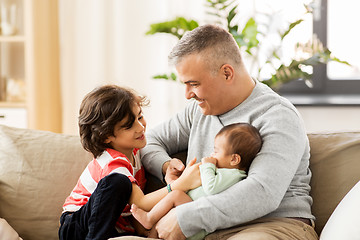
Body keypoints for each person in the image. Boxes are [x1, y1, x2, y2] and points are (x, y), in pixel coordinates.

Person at [140, 24, 319, 240]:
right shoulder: (197, 112)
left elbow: (262, 192)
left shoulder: (277, 115)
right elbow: (148, 140)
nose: (187, 94)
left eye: (193, 84)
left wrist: (186, 217)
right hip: (208, 229)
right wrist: (166, 166)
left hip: (272, 226)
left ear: (227, 73)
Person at [58, 85, 201, 240]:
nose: (140, 127)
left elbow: (135, 206)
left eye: (139, 117)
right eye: (128, 126)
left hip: (114, 224)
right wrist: (182, 183)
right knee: (118, 182)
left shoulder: (135, 151)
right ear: (106, 136)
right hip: (76, 226)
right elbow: (142, 202)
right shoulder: (112, 162)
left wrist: (167, 167)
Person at [131, 123, 262, 239]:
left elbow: (211, 187)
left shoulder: (234, 175)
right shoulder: (224, 171)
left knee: (176, 195)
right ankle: (151, 235)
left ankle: (149, 219)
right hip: (189, 208)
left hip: (196, 223)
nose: (212, 155)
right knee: (169, 210)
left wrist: (207, 166)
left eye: (216, 151)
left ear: (234, 160)